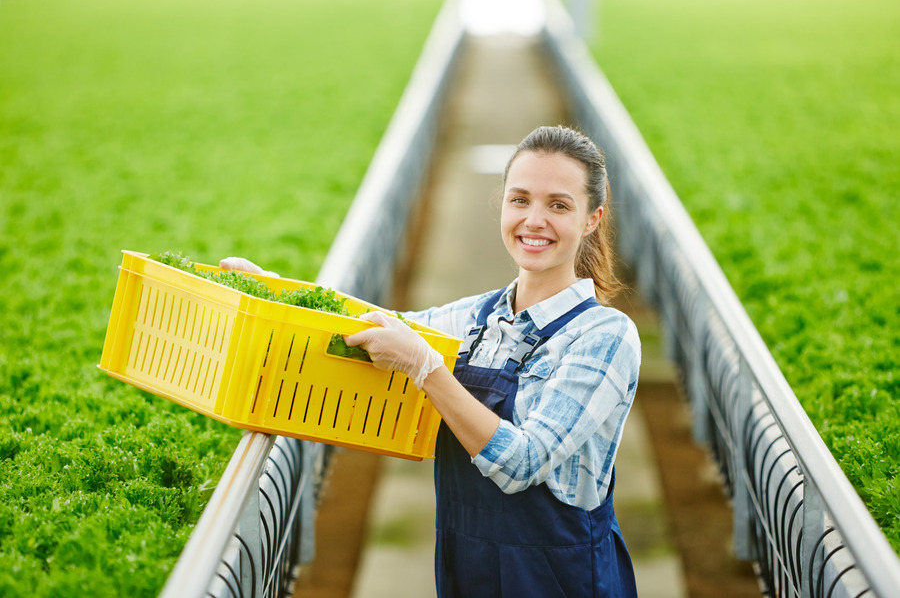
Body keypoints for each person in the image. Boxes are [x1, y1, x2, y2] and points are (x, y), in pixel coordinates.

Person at [222, 125, 641, 597]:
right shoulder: (478, 317)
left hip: (558, 580)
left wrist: (427, 369)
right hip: (469, 569)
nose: (534, 220)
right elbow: (376, 324)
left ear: (591, 219)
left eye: (558, 205)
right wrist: (278, 292)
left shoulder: (604, 336)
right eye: (520, 199)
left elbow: (523, 463)